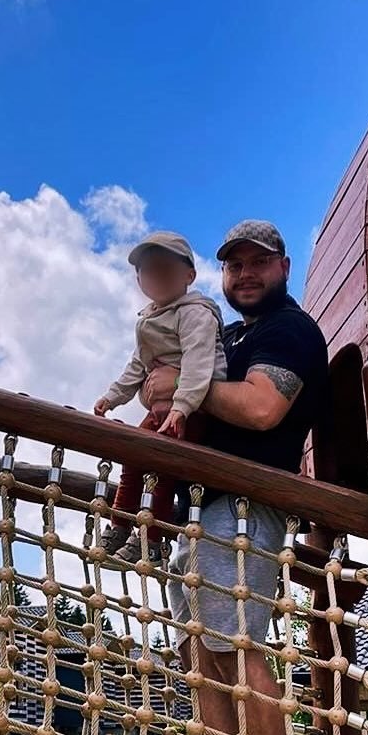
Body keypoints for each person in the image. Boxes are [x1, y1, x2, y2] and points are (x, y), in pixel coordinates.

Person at [148, 220, 329, 735]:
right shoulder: (225, 335)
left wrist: (185, 388)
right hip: (202, 508)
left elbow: (260, 409)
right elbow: (162, 376)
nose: (245, 274)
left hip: (246, 507)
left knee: (241, 648)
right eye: (234, 265)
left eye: (258, 262)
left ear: (283, 268)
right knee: (202, 652)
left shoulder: (289, 330)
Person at [93, 231, 227, 563]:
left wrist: (182, 406)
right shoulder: (149, 319)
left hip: (192, 409)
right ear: (139, 279)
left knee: (163, 470)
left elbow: (198, 362)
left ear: (189, 276)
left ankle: (150, 540)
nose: (157, 277)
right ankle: (120, 524)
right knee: (133, 457)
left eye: (166, 270)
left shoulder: (195, 313)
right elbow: (138, 365)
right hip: (161, 409)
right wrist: (113, 396)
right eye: (149, 271)